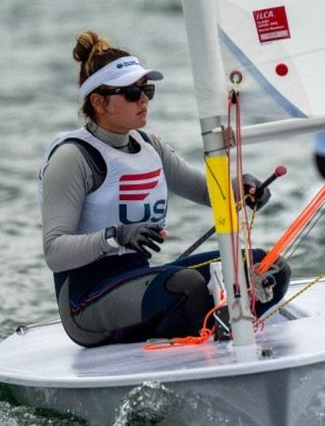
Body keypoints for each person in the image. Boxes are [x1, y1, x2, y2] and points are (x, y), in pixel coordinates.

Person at [39, 31, 290, 347]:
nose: (143, 98)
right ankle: (212, 347)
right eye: (131, 92)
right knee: (184, 287)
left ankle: (230, 340)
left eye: (147, 89)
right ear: (98, 101)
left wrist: (241, 188)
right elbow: (54, 253)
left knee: (267, 267)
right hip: (86, 304)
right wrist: (114, 236)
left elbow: (210, 193)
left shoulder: (148, 145)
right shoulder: (73, 158)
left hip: (135, 283)